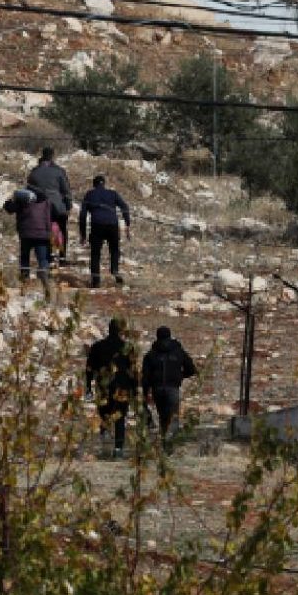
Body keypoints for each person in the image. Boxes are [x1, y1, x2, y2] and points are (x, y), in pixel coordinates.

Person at [85, 318, 137, 457]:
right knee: (120, 417)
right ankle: (118, 449)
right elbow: (133, 371)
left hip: (103, 387)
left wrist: (88, 386)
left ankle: (105, 444)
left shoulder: (97, 347)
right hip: (122, 387)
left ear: (109, 329)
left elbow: (89, 368)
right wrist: (135, 389)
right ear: (121, 330)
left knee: (105, 415)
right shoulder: (127, 347)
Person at [140, 326, 196, 445]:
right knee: (173, 417)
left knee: (163, 417)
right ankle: (172, 443)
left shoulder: (151, 354)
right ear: (170, 336)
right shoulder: (179, 352)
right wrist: (180, 376)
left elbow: (145, 377)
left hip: (157, 389)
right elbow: (191, 369)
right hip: (173, 388)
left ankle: (164, 441)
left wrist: (145, 394)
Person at [79, 174, 130, 288]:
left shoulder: (89, 194)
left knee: (95, 253)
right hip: (112, 224)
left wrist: (83, 234)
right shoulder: (112, 193)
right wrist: (127, 223)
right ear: (104, 184)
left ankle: (96, 280)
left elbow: (82, 215)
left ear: (94, 185)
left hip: (97, 225)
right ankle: (115, 270)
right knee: (114, 249)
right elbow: (124, 207)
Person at [3, 185, 53, 299]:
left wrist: (10, 200)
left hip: (26, 233)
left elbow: (9, 208)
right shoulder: (46, 200)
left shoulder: (23, 199)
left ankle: (24, 283)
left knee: (25, 258)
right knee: (43, 259)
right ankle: (45, 279)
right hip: (42, 234)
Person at [27, 147, 73, 264]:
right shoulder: (59, 171)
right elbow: (66, 190)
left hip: (40, 207)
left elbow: (29, 190)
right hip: (58, 206)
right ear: (52, 156)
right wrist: (68, 205)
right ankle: (62, 257)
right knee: (61, 230)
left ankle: (48, 256)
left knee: (45, 231)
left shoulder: (34, 172)